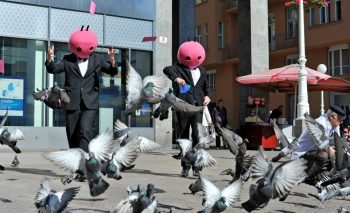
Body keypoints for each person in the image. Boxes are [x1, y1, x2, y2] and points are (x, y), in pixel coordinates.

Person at [45, 26, 118, 152]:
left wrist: (112, 61)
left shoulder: (97, 59)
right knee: (72, 135)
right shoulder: (68, 59)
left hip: (90, 103)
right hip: (71, 102)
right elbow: (53, 69)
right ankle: (76, 164)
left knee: (85, 130)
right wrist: (50, 59)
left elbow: (112, 71)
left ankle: (84, 161)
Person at [163, 41, 211, 177]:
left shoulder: (202, 70)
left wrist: (208, 96)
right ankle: (185, 167)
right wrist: (176, 78)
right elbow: (166, 69)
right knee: (184, 137)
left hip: (197, 108)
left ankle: (197, 167)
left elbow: (205, 86)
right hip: (183, 107)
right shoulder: (178, 68)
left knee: (197, 136)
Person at [291, 105, 345, 183]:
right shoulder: (321, 123)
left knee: (337, 152)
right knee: (324, 155)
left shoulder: (335, 123)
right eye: (340, 119)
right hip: (301, 155)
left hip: (313, 152)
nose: (341, 121)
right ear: (332, 117)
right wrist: (332, 149)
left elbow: (339, 142)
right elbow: (323, 145)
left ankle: (323, 176)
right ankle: (307, 177)